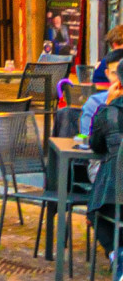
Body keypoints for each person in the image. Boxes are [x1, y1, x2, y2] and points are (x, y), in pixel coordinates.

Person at [87, 48, 123, 278]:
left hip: (114, 194)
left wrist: (108, 104)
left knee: (95, 212)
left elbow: (96, 146)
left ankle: (116, 254)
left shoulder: (109, 113)